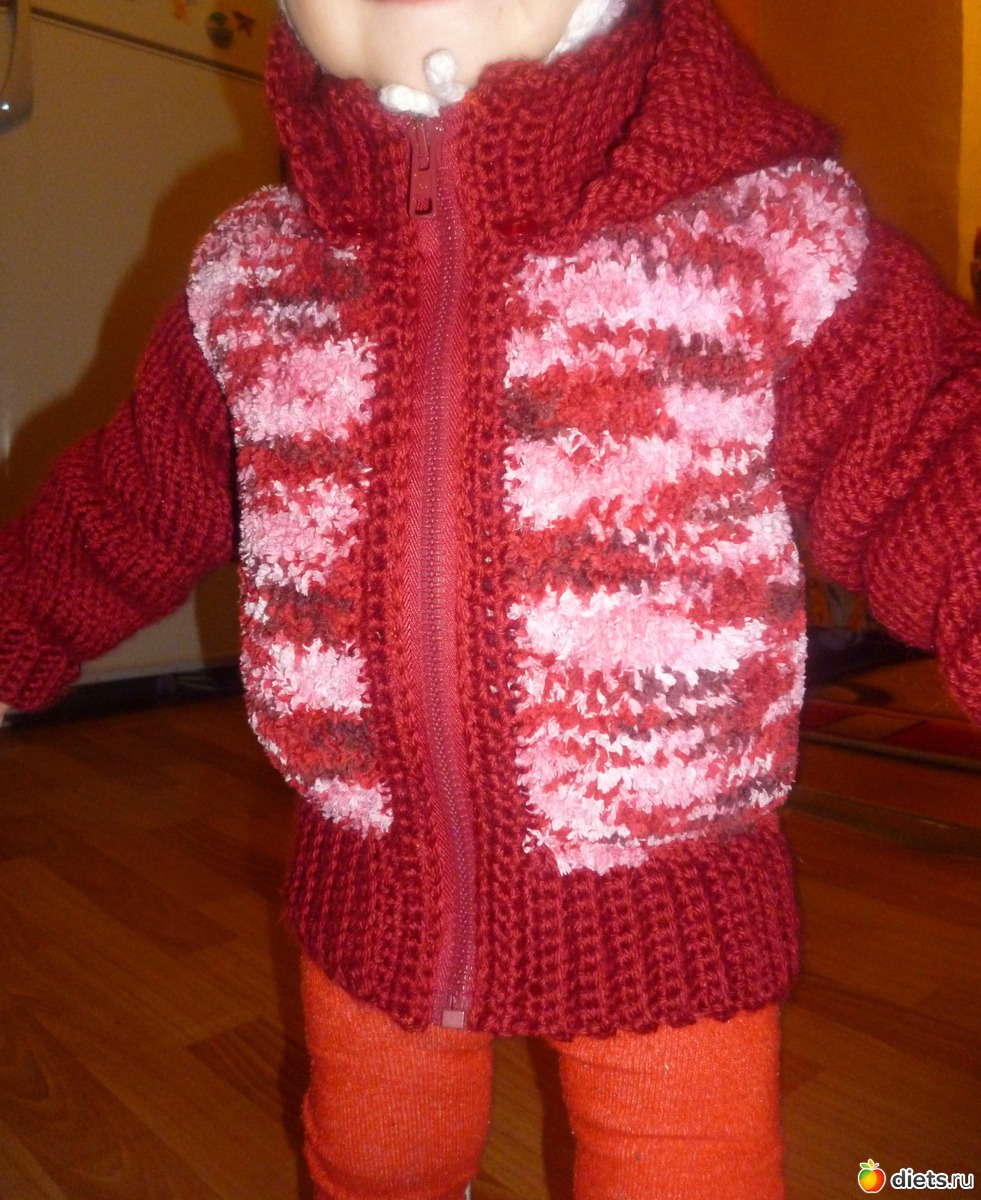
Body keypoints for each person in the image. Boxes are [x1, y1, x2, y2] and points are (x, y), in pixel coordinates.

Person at [2, 0, 980, 1196]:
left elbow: (937, 454)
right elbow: (127, 503)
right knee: (373, 1161)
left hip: (667, 897)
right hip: (370, 884)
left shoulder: (766, 231)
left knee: (684, 1172)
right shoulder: (254, 280)